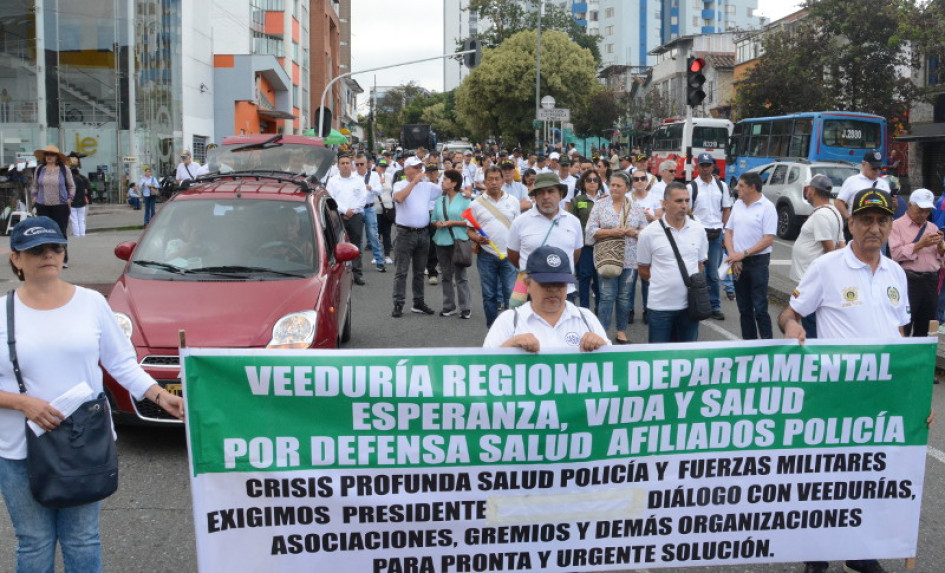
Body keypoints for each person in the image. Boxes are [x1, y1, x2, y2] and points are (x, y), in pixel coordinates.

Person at [0, 216, 184, 571]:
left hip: (83, 443)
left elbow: (121, 362)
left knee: (82, 538)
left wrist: (160, 396)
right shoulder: (2, 312)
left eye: (55, 247)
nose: (48, 255)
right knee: (34, 542)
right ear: (16, 258)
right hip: (18, 449)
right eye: (36, 250)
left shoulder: (91, 303)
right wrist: (22, 403)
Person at [779, 188, 934, 573]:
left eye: (882, 221)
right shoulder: (827, 267)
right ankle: (816, 554)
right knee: (825, 477)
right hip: (834, 395)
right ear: (851, 224)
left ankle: (859, 552)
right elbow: (789, 313)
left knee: (868, 476)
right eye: (866, 220)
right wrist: (793, 327)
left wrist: (914, 396)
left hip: (880, 397)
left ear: (890, 226)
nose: (874, 228)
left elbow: (900, 337)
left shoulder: (896, 272)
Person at [483, 245, 610, 351]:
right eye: (545, 284)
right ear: (527, 284)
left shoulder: (586, 318)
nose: (553, 289)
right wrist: (510, 345)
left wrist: (602, 346)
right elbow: (484, 366)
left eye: (560, 284)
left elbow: (614, 364)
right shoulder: (509, 321)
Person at [636, 182, 709, 343]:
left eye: (687, 200)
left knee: (687, 354)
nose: (684, 205)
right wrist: (664, 283)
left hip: (690, 306)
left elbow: (700, 265)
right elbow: (643, 270)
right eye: (678, 201)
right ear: (664, 203)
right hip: (660, 307)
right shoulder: (648, 233)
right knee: (659, 356)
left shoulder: (698, 230)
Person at [585, 171, 647, 344]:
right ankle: (602, 332)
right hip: (607, 257)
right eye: (612, 185)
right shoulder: (600, 205)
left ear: (627, 188)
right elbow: (590, 231)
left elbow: (646, 232)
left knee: (624, 297)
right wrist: (612, 232)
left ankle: (622, 331)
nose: (614, 188)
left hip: (630, 259)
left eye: (619, 185)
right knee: (606, 296)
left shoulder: (635, 207)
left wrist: (634, 232)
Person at [508, 172, 583, 298]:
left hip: (565, 291)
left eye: (551, 191)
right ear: (535, 197)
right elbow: (513, 255)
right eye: (540, 192)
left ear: (560, 194)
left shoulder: (574, 222)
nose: (546, 196)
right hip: (530, 292)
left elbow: (575, 254)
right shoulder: (520, 222)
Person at [788, 174, 845, 338]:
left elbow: (829, 249)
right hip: (812, 277)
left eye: (809, 189)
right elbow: (841, 244)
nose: (807, 192)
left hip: (810, 278)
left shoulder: (821, 215)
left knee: (810, 320)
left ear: (813, 191)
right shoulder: (834, 211)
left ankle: (813, 348)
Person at [724, 171, 777, 340]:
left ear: (752, 187)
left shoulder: (767, 207)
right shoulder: (738, 204)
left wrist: (743, 254)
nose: (737, 188)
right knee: (744, 308)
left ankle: (767, 344)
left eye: (741, 186)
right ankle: (749, 344)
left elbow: (768, 239)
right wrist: (733, 255)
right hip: (738, 262)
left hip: (757, 263)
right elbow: (728, 231)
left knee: (760, 307)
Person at [468, 166, 520, 328]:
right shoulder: (476, 204)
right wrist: (477, 238)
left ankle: (512, 331)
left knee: (511, 295)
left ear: (503, 181)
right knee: (489, 295)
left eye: (497, 179)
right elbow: (469, 230)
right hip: (487, 255)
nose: (494, 182)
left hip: (510, 256)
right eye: (490, 179)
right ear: (484, 182)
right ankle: (492, 330)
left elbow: (519, 228)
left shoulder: (513, 201)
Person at [889, 188, 945, 337]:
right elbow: (896, 254)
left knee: (925, 327)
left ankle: (921, 351)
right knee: (904, 324)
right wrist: (920, 244)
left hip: (930, 281)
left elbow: (939, 259)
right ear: (909, 206)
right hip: (909, 280)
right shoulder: (896, 226)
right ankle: (902, 350)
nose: (923, 214)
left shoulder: (932, 227)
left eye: (927, 211)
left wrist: (941, 248)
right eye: (920, 210)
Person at [391, 156, 442, 317]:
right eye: (416, 167)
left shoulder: (427, 186)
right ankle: (398, 303)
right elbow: (399, 198)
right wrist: (413, 182)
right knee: (401, 271)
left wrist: (463, 191)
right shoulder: (400, 184)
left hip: (423, 232)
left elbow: (444, 191)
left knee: (419, 271)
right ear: (407, 170)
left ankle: (418, 302)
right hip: (405, 233)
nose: (420, 170)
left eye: (421, 167)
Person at [689, 152, 732, 321]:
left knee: (713, 273)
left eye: (708, 165)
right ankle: (697, 304)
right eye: (702, 166)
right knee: (697, 271)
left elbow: (726, 209)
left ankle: (714, 306)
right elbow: (688, 212)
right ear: (697, 167)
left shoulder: (722, 186)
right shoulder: (691, 187)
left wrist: (724, 230)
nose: (705, 169)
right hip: (699, 234)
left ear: (713, 166)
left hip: (716, 234)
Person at [430, 169, 472, 319]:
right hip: (441, 240)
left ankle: (465, 307)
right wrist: (437, 223)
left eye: (446, 179)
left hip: (458, 240)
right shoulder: (440, 200)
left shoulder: (465, 200)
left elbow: (470, 221)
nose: (442, 181)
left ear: (454, 183)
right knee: (446, 275)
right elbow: (433, 219)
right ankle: (448, 306)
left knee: (461, 275)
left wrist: (452, 223)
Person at [326, 153, 367, 286]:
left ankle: (357, 274)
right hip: (338, 217)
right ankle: (338, 275)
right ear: (338, 166)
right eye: (342, 163)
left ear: (351, 165)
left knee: (356, 245)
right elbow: (331, 199)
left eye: (347, 163)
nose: (345, 165)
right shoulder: (333, 181)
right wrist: (344, 211)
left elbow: (362, 198)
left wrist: (352, 211)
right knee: (337, 246)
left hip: (355, 217)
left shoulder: (358, 180)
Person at [569, 170, 602, 311]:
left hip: (602, 245)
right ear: (583, 183)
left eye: (595, 180)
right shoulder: (577, 201)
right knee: (584, 277)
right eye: (589, 180)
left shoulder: (606, 200)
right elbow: (571, 224)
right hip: (585, 246)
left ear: (599, 183)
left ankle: (600, 309)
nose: (592, 183)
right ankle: (584, 309)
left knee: (600, 278)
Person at [835, 150, 891, 233]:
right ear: (864, 164)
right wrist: (848, 217)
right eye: (874, 168)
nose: (877, 171)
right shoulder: (852, 181)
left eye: (879, 168)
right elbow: (838, 202)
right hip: (858, 226)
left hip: (879, 228)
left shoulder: (884, 184)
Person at [31, 145, 74, 240]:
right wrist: (34, 196)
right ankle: (46, 249)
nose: (49, 156)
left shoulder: (64, 169)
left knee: (60, 231)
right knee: (44, 231)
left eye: (52, 155)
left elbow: (71, 186)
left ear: (57, 157)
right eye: (47, 154)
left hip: (60, 205)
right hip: (42, 205)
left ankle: (62, 249)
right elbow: (35, 186)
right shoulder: (39, 169)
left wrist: (70, 198)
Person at [355, 153, 386, 272]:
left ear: (367, 164)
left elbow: (380, 191)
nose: (359, 166)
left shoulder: (374, 175)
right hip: (357, 209)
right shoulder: (353, 176)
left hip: (369, 207)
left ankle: (379, 261)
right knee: (357, 237)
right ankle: (357, 263)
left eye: (361, 164)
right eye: (357, 164)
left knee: (373, 235)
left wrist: (371, 188)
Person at [68, 164, 90, 237]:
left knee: (74, 220)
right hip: (82, 202)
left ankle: (76, 235)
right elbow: (86, 191)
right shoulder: (82, 179)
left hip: (73, 203)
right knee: (81, 220)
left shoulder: (70, 181)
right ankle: (82, 234)